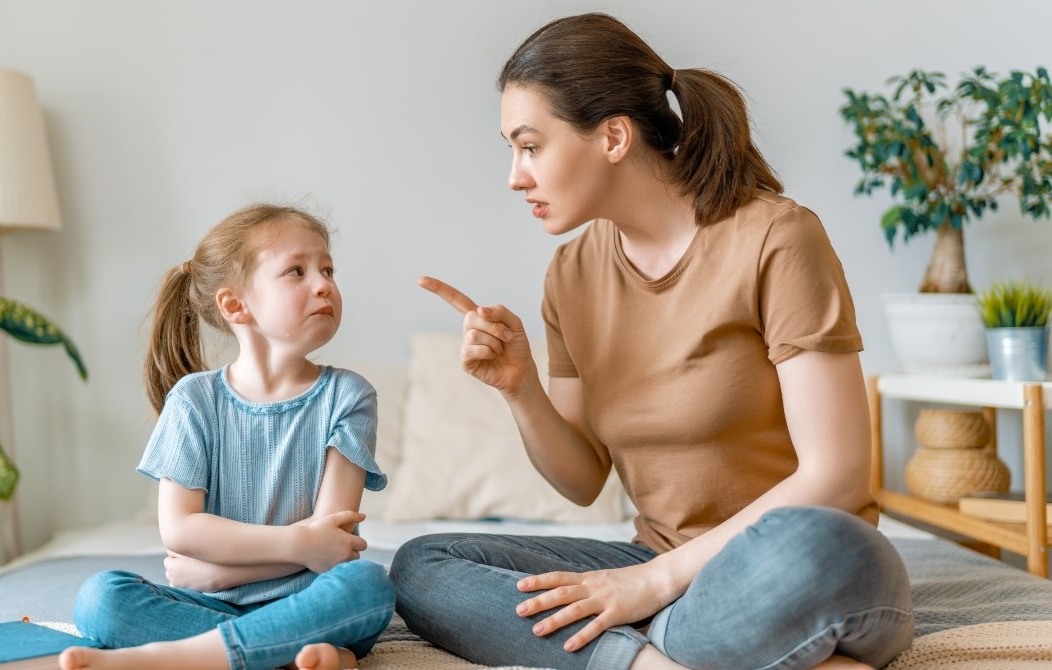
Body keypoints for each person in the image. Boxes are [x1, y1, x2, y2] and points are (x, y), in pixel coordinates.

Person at [392, 12, 913, 670]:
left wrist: (648, 586)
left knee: (817, 548)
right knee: (422, 566)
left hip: (785, 564)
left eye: (530, 146)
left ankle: (651, 637)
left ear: (613, 136)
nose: (515, 176)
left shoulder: (775, 239)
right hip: (659, 567)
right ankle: (645, 662)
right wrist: (521, 390)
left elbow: (838, 473)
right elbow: (584, 482)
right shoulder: (571, 275)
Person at [61, 204, 394, 670]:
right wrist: (299, 546)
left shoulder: (349, 396)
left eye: (328, 269)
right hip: (215, 609)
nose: (323, 284)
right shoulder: (194, 400)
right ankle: (283, 656)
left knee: (366, 586)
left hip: (312, 603)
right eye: (296, 271)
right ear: (235, 305)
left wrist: (214, 572)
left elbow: (333, 546)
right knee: (99, 599)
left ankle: (179, 659)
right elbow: (180, 529)